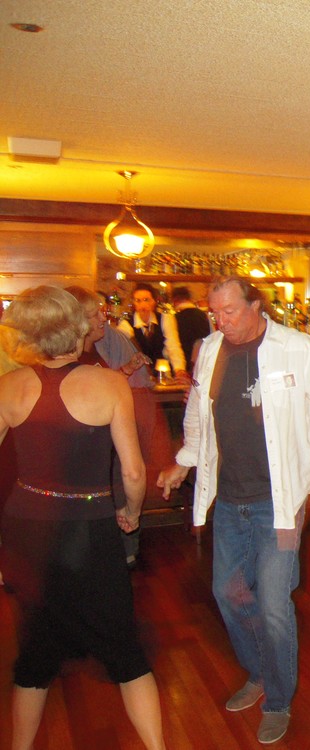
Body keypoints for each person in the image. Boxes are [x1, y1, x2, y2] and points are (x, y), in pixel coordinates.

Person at [157, 277, 310, 744]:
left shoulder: (296, 348)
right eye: (214, 313)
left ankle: (279, 699)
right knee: (227, 593)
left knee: (272, 604)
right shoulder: (210, 350)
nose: (220, 321)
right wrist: (183, 460)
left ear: (256, 305)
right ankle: (261, 671)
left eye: (229, 311)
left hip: (279, 501)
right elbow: (198, 415)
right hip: (229, 497)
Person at [0, 286, 165, 750]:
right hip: (89, 530)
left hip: (27, 529)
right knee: (123, 649)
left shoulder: (9, 386)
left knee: (36, 651)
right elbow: (133, 472)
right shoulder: (108, 384)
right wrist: (131, 513)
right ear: (74, 330)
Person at [65, 286, 160, 569]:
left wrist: (127, 370)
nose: (103, 319)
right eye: (95, 314)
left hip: (105, 452)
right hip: (90, 461)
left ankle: (120, 556)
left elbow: (101, 389)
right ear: (77, 321)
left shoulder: (92, 350)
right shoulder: (72, 359)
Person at [118, 282, 188, 380]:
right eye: (138, 301)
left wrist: (179, 369)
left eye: (146, 300)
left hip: (163, 375)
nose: (142, 305)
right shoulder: (126, 325)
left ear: (154, 302)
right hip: (138, 377)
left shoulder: (165, 319)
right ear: (134, 304)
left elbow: (173, 346)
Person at [171, 286, 212, 370]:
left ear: (174, 300)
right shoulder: (203, 315)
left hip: (184, 364)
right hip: (203, 361)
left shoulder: (174, 318)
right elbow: (212, 336)